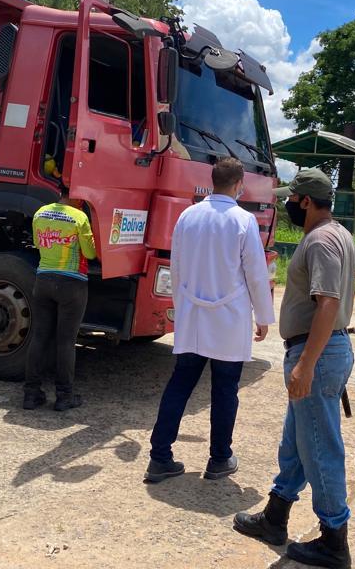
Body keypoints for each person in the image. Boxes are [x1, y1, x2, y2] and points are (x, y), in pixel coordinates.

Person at [234, 168, 355, 569]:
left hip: (316, 354)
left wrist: (306, 364)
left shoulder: (320, 240)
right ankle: (275, 517)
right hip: (322, 351)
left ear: (305, 201)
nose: (287, 205)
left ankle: (334, 541)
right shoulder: (337, 234)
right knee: (298, 443)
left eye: (291, 199)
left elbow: (328, 303)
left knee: (320, 450)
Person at [144, 157, 274, 483]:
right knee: (225, 389)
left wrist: (183, 306)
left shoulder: (188, 215)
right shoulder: (243, 221)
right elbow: (256, 274)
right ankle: (219, 459)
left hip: (193, 316)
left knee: (180, 383)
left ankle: (159, 458)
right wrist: (263, 316)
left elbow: (176, 267)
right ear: (239, 184)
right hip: (229, 318)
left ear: (212, 181)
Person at [24, 189, 97, 411]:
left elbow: (39, 244)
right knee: (65, 342)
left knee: (39, 337)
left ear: (59, 192)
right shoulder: (79, 217)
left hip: (43, 280)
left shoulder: (40, 213)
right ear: (76, 195)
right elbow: (90, 253)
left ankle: (31, 394)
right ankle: (64, 396)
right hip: (72, 284)